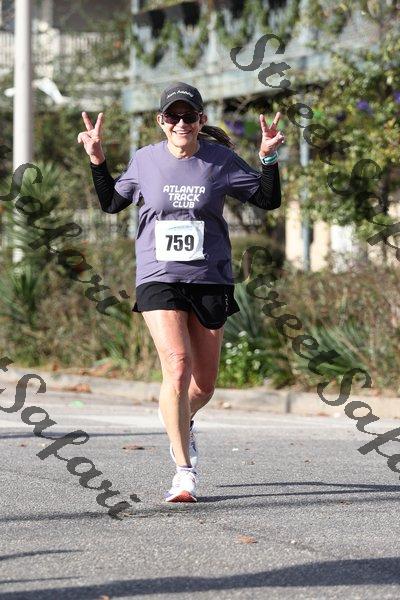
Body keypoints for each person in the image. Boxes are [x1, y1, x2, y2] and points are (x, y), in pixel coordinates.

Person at [78, 81, 284, 503]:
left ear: (201, 120)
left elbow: (267, 199)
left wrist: (268, 157)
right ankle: (183, 472)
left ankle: (182, 420)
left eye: (189, 116)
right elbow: (112, 204)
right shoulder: (145, 159)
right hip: (159, 275)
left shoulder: (219, 160)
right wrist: (97, 160)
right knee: (177, 366)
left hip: (210, 277)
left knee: (203, 386)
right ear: (161, 121)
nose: (181, 123)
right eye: (172, 116)